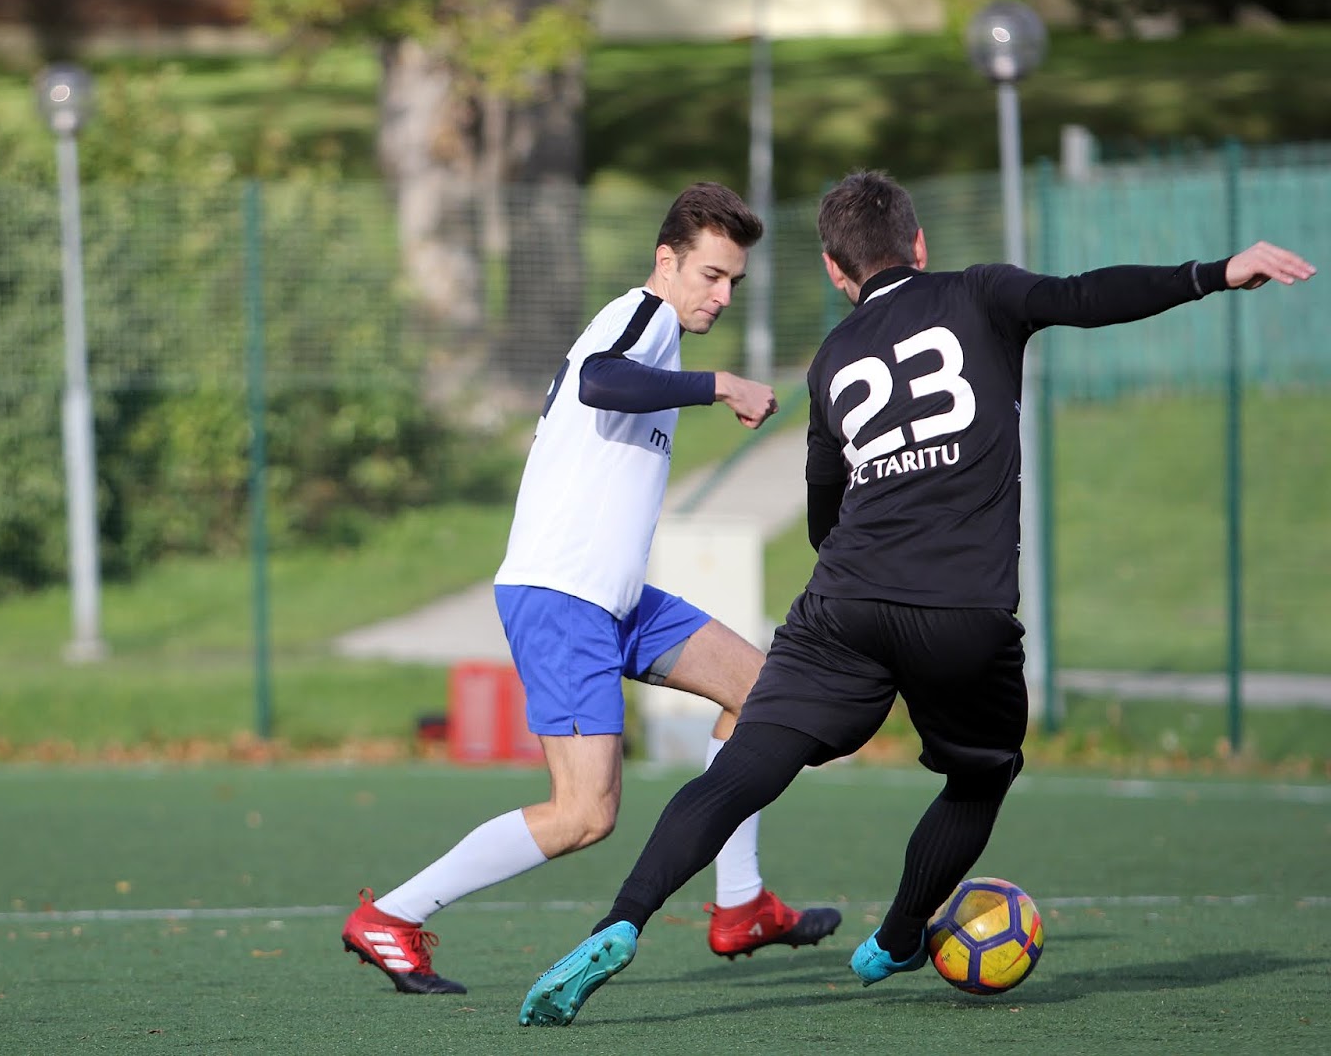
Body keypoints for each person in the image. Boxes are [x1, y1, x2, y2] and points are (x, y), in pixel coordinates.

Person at [519, 169, 1317, 1026]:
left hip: (843, 606)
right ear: (921, 245)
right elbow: (1086, 297)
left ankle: (622, 920)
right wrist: (1213, 273)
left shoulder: (832, 359)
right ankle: (898, 936)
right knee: (981, 773)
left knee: (744, 771)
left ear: (836, 271)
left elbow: (824, 517)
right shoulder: (982, 293)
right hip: (962, 610)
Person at [341, 182, 843, 996]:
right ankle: (392, 917)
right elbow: (600, 382)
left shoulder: (658, 337)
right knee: (584, 814)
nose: (722, 295)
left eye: (733, 282)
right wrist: (720, 384)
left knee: (764, 695)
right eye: (711, 275)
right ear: (666, 261)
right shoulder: (643, 316)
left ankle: (741, 903)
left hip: (618, 599)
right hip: (563, 596)